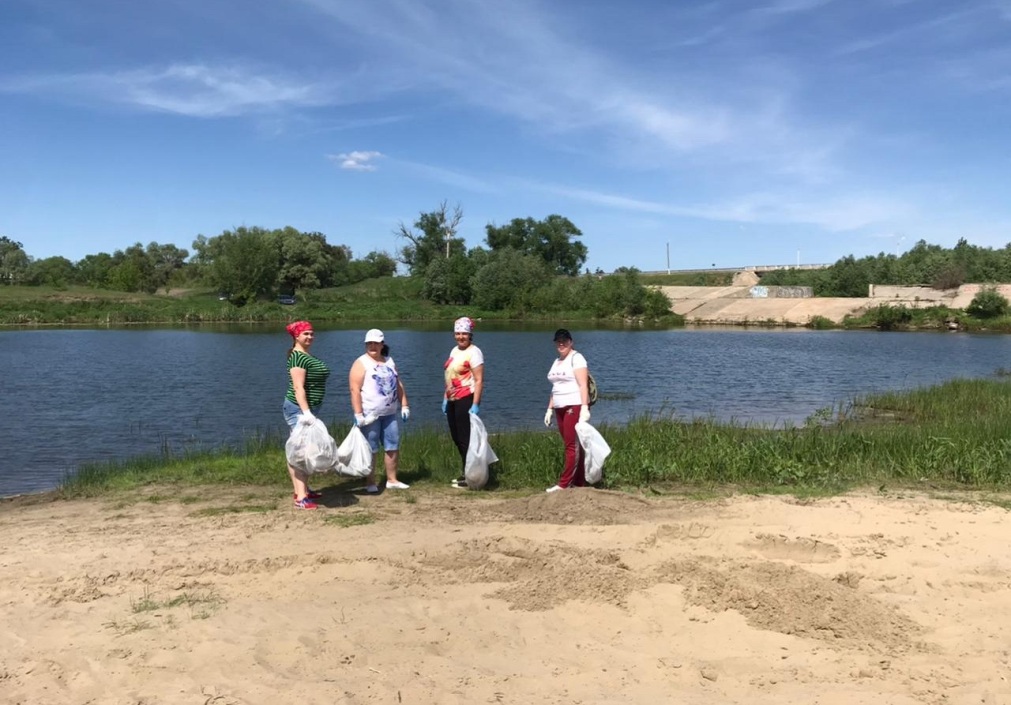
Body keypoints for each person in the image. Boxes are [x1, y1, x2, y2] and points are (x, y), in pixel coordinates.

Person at [349, 329, 411, 494]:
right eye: (369, 343)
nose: (372, 346)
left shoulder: (389, 361)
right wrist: (358, 414)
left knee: (392, 446)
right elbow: (354, 390)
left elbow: (398, 383)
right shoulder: (361, 363)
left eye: (376, 343)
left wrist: (404, 404)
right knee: (371, 448)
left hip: (390, 413)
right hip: (370, 415)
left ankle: (392, 480)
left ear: (382, 344)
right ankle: (370, 481)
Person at [282, 320, 330, 510]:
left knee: (299, 449)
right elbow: (298, 387)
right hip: (298, 409)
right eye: (305, 334)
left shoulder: (304, 355)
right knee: (300, 451)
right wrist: (306, 413)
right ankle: (301, 498)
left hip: (308, 409)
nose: (310, 337)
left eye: (311, 333)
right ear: (296, 336)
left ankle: (302, 490)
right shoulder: (297, 358)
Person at [543, 328, 591, 492]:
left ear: (571, 342)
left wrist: (584, 407)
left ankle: (564, 484)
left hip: (574, 405)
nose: (561, 343)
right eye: (558, 341)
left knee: (572, 446)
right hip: (559, 406)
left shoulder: (577, 358)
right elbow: (556, 387)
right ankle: (579, 482)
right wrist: (549, 409)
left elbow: (583, 384)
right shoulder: (557, 361)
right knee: (571, 445)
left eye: (564, 340)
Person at [443, 317, 484, 489]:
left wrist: (475, 404)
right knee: (456, 437)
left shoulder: (474, 353)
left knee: (466, 438)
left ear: (470, 334)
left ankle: (472, 478)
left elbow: (479, 380)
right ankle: (466, 472)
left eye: (464, 334)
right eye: (458, 333)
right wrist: (445, 398)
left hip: (466, 399)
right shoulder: (454, 351)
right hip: (452, 399)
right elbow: (451, 376)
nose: (461, 337)